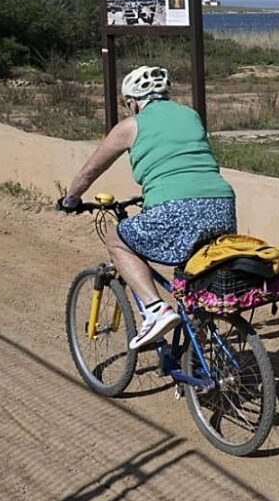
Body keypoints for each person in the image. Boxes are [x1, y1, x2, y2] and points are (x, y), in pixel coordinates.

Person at [58, 65, 236, 350]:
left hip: (175, 207)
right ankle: (197, 353)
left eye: (128, 104)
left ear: (133, 102)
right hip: (222, 206)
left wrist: (70, 200)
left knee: (117, 239)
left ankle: (155, 310)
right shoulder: (191, 116)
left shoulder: (130, 126)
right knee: (194, 275)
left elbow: (90, 172)